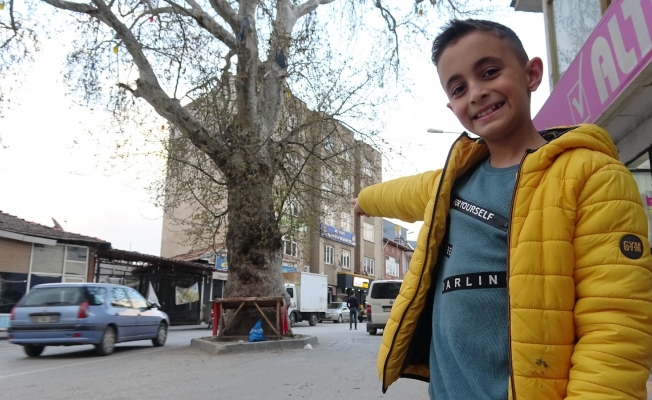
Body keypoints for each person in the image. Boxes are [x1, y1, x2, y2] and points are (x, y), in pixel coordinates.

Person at [351, 18, 652, 400]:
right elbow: (404, 193)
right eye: (459, 88)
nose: (476, 93)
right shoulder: (452, 182)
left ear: (531, 74)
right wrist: (364, 201)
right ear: (452, 107)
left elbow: (615, 327)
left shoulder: (593, 177)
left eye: (490, 72)